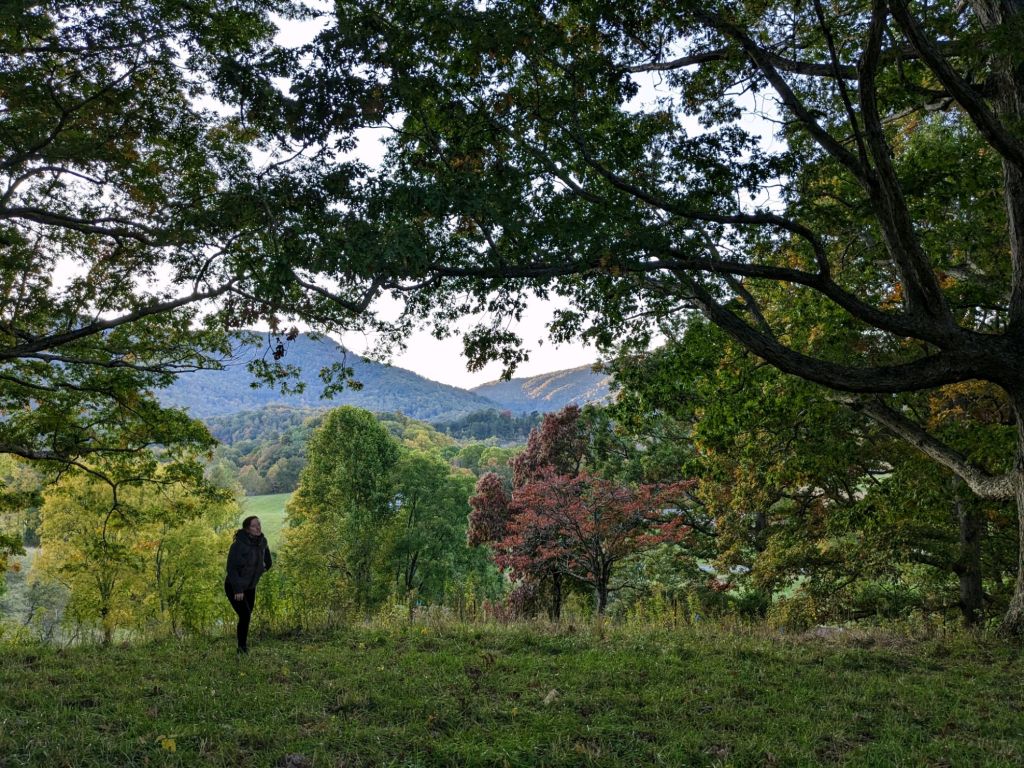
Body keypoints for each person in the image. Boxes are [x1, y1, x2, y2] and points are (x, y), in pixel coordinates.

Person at [224, 515, 272, 654]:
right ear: (247, 529)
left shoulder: (262, 542)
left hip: (250, 586)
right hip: (234, 586)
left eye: (259, 524)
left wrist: (262, 568)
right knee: (245, 615)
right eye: (254, 526)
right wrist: (238, 590)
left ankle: (242, 645)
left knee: (246, 615)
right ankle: (242, 648)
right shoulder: (238, 545)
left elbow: (268, 563)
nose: (258, 528)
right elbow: (231, 569)